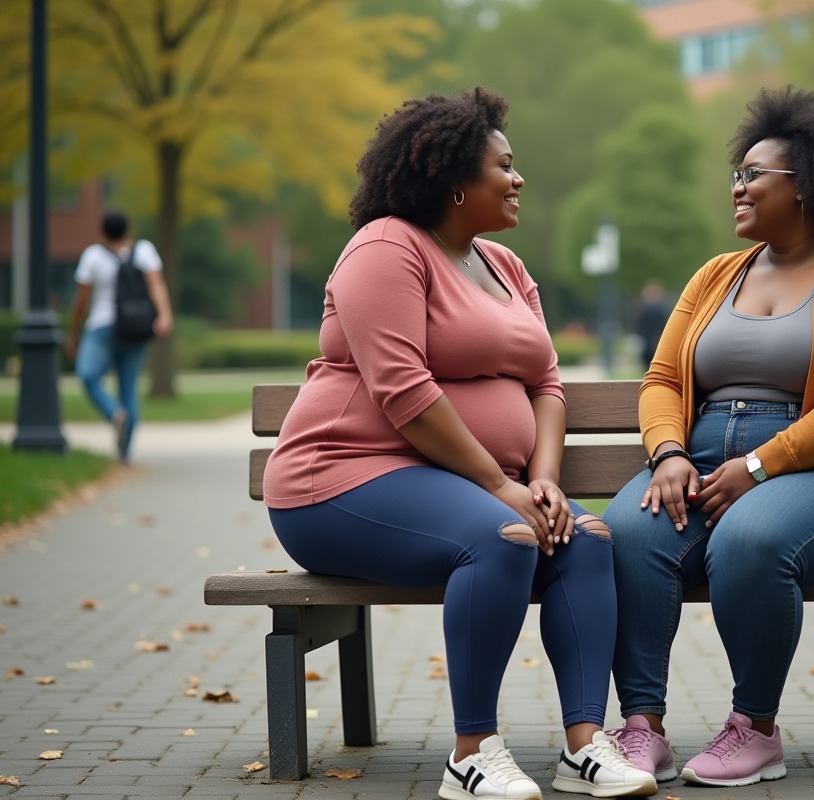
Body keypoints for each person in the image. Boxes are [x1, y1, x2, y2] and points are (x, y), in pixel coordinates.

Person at [262, 88, 656, 800]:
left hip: (464, 488)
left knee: (586, 540)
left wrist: (543, 480)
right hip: (343, 480)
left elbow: (549, 383)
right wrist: (501, 488)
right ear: (453, 181)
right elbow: (403, 390)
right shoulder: (386, 247)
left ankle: (584, 747)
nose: (518, 178)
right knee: (502, 535)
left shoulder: (503, 267)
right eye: (503, 166)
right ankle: (472, 752)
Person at [601, 87, 814, 788]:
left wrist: (760, 464)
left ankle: (754, 727)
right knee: (629, 533)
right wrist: (666, 454)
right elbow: (661, 379)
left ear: (808, 186)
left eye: (755, 175)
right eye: (738, 174)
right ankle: (641, 728)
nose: (739, 188)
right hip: (705, 463)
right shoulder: (716, 276)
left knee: (751, 540)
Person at [65, 212, 174, 462]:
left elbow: (81, 299)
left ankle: (114, 413)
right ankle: (124, 453)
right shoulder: (144, 250)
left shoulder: (92, 255)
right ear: (128, 230)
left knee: (88, 376)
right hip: (135, 328)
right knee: (128, 388)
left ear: (102, 232)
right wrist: (165, 315)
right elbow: (157, 284)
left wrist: (73, 332)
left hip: (101, 327)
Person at [633, 281, 669, 372]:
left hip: (649, 339)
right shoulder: (663, 308)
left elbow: (639, 325)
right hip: (658, 339)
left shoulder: (643, 308)